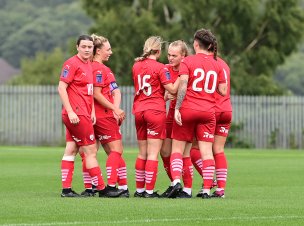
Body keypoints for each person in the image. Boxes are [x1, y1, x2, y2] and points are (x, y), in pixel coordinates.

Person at [168, 28, 227, 199]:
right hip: (208, 112)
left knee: (178, 149)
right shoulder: (218, 64)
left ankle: (176, 182)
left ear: (195, 44)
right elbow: (223, 90)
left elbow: (183, 85)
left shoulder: (188, 61)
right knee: (207, 152)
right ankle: (207, 189)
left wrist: (177, 108)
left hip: (188, 109)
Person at [58, 34, 109, 198]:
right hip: (76, 114)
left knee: (71, 149)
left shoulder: (88, 65)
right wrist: (71, 111)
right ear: (77, 47)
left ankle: (66, 190)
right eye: (84, 47)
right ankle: (102, 189)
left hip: (84, 113)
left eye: (90, 47)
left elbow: (88, 92)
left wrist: (92, 111)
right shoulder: (71, 63)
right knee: (90, 151)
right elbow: (61, 88)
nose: (87, 50)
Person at [80, 34, 129, 198]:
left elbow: (116, 91)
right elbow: (97, 93)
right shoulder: (99, 69)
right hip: (103, 115)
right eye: (108, 49)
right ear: (99, 51)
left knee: (90, 152)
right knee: (116, 150)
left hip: (89, 115)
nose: (111, 52)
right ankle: (110, 186)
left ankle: (100, 187)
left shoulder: (88, 67)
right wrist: (115, 109)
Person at [132, 36, 178, 198]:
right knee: (153, 154)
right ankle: (149, 192)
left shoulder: (136, 66)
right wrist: (182, 77)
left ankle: (139, 190)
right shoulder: (160, 68)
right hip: (155, 112)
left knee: (142, 153)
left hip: (139, 111)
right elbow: (172, 89)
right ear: (158, 51)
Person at [192, 56, 231, 198]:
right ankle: (221, 190)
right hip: (226, 109)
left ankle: (209, 181)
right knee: (218, 150)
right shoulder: (224, 64)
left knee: (194, 149)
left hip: (211, 110)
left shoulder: (205, 63)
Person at [159, 40, 193, 198]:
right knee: (165, 151)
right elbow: (166, 94)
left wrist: (172, 92)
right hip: (170, 114)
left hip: (184, 113)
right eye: (169, 55)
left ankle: (186, 188)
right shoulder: (165, 68)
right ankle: (175, 183)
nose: (170, 58)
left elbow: (179, 91)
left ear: (183, 56)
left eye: (174, 55)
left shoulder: (189, 68)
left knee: (183, 152)